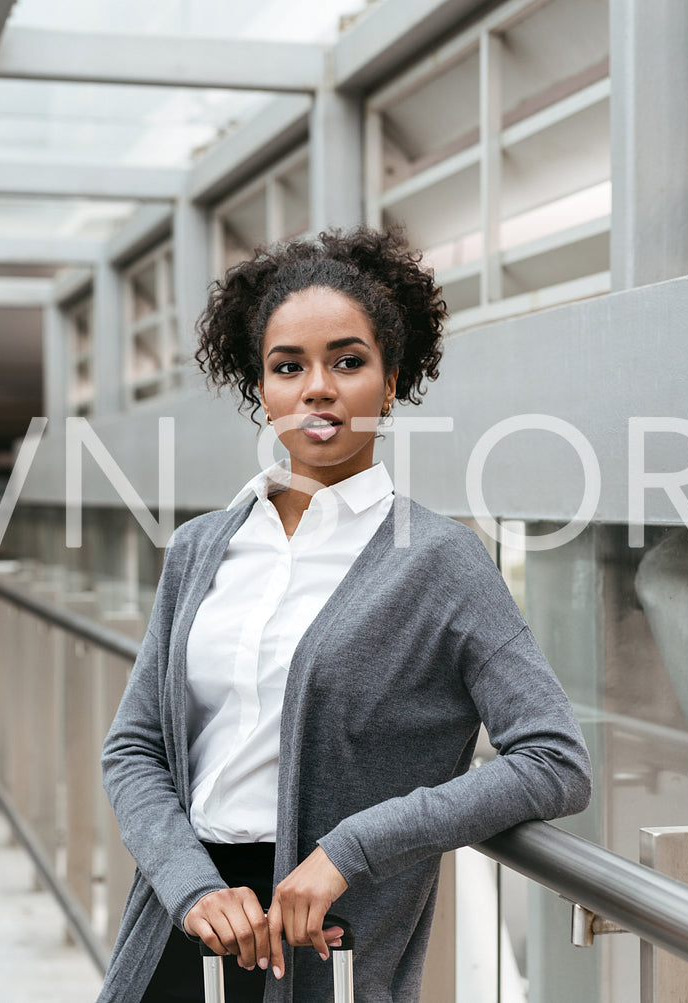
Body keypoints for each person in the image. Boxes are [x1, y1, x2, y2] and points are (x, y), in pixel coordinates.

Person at [96, 225, 592, 1003]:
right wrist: (192, 887)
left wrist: (349, 849)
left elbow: (554, 761)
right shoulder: (199, 548)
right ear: (261, 389)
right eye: (287, 366)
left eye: (347, 361)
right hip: (184, 927)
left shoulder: (438, 561)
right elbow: (134, 748)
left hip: (328, 940)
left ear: (390, 383)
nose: (316, 388)